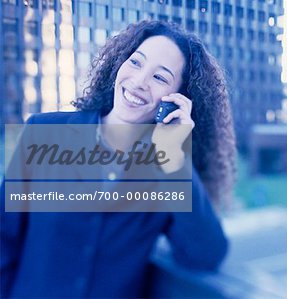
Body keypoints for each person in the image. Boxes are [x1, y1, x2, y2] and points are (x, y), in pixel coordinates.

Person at [1, 20, 236, 298]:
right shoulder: (43, 132)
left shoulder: (166, 169)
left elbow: (205, 254)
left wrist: (175, 158)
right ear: (119, 63)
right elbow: (4, 239)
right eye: (136, 63)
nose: (139, 82)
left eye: (159, 77)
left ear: (178, 99)